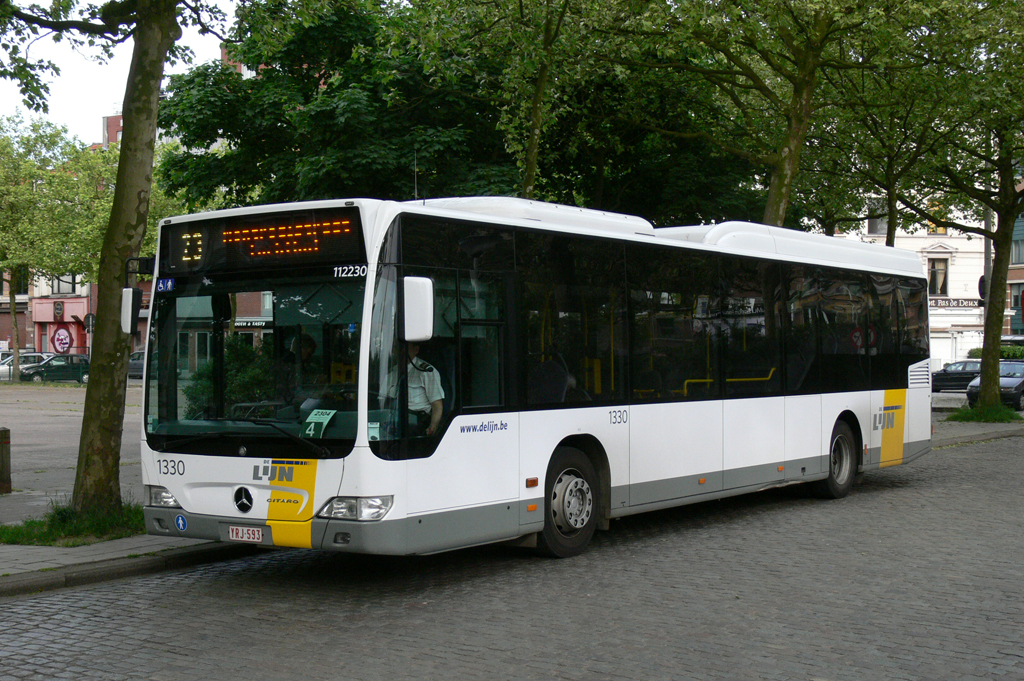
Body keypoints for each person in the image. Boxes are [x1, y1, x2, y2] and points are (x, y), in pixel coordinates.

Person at [403, 343, 445, 436]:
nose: (400, 351)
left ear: (416, 350)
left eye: (405, 348)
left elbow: (437, 404)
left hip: (416, 424)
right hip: (394, 422)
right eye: (397, 348)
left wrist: (433, 427)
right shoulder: (392, 372)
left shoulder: (426, 371)